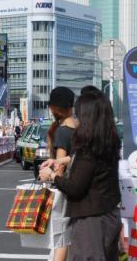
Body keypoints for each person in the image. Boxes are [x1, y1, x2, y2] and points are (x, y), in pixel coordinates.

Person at [39, 91, 122, 260]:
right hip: (109, 213)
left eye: (79, 113)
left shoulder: (88, 148)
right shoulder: (107, 141)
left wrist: (52, 176)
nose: (77, 118)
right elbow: (92, 166)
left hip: (90, 219)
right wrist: (62, 161)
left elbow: (76, 187)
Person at [39, 87, 76, 261]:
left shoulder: (62, 131)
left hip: (63, 190)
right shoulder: (79, 126)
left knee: (60, 238)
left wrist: (49, 175)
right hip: (77, 188)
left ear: (54, 108)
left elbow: (59, 167)